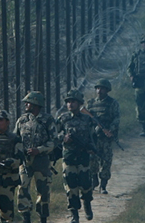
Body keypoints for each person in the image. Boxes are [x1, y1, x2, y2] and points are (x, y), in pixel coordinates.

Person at [14, 91, 57, 223]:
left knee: (43, 190)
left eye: (29, 103)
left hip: (42, 161)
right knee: (22, 188)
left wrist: (39, 150)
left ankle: (42, 217)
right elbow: (15, 139)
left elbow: (53, 142)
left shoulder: (48, 120)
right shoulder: (22, 120)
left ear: (36, 104)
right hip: (25, 162)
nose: (26, 105)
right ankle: (26, 217)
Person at [57, 90, 96, 223]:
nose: (70, 104)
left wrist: (92, 148)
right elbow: (53, 135)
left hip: (83, 157)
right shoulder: (63, 118)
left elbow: (92, 136)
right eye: (68, 102)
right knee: (71, 186)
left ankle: (87, 204)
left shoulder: (87, 119)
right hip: (69, 157)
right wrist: (63, 138)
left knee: (85, 183)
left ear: (79, 103)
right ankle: (74, 214)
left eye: (73, 101)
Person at [85, 79, 120, 194]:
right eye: (98, 88)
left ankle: (103, 185)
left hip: (106, 137)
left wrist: (110, 130)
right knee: (92, 160)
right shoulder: (90, 103)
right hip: (94, 137)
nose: (99, 91)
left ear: (107, 90)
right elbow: (86, 119)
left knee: (106, 160)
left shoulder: (112, 103)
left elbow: (116, 118)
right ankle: (94, 180)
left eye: (102, 88)